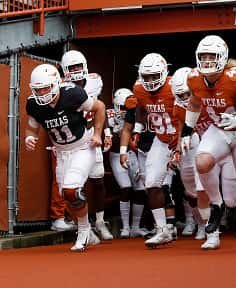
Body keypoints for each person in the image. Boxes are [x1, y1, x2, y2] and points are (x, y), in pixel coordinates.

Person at [182, 35, 236, 251]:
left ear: (223, 57)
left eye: (212, 56)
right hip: (219, 129)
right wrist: (186, 131)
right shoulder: (194, 78)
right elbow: (193, 104)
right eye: (204, 56)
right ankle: (216, 205)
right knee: (201, 163)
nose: (208, 61)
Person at [25, 64, 106, 251]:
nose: (42, 93)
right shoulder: (34, 104)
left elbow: (99, 107)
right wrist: (30, 137)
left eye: (45, 88)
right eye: (38, 89)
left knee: (72, 190)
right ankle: (87, 231)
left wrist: (97, 134)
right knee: (67, 197)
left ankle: (84, 233)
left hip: (82, 147)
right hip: (61, 152)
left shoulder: (72, 94)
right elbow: (32, 126)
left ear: (55, 84)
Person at [121, 53, 179, 248]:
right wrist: (137, 129)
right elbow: (141, 108)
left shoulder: (176, 86)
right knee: (152, 183)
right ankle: (163, 230)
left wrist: (182, 141)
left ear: (164, 73)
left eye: (155, 76)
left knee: (199, 186)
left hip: (185, 137)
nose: (150, 81)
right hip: (162, 140)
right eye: (146, 77)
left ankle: (209, 228)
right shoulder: (138, 89)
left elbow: (193, 110)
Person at [61, 50, 113, 241]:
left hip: (92, 134)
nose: (76, 71)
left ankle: (100, 221)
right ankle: (84, 226)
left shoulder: (94, 81)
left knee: (98, 180)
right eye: (71, 68)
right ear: (65, 70)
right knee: (75, 185)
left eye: (78, 66)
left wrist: (105, 132)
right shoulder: (62, 89)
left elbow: (99, 107)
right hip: (74, 139)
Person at [106, 88, 149, 238]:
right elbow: (109, 141)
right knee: (125, 187)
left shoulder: (136, 112)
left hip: (133, 154)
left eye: (127, 108)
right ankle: (125, 227)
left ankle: (135, 227)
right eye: (122, 108)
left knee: (140, 189)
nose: (125, 111)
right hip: (117, 154)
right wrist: (112, 133)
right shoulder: (109, 115)